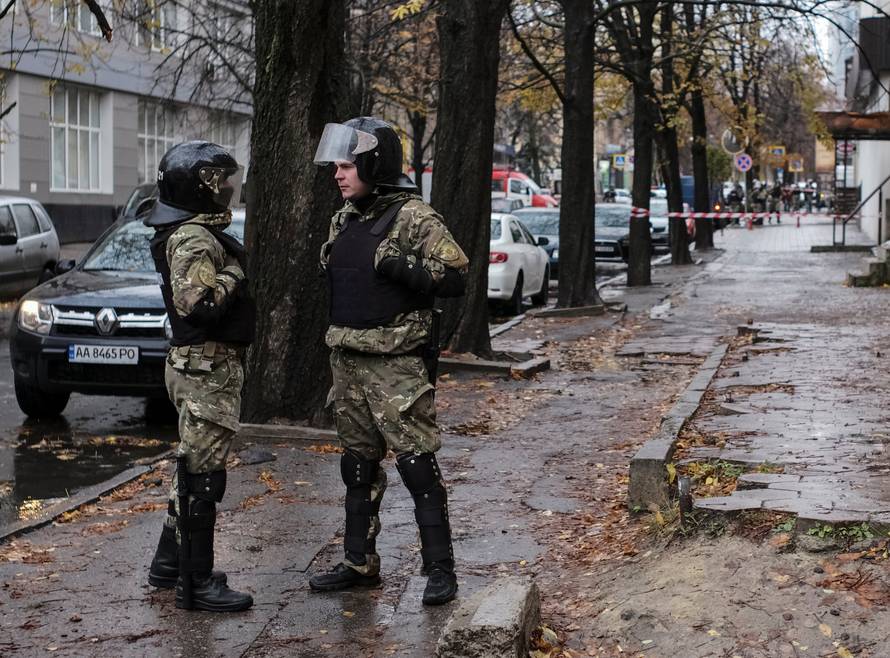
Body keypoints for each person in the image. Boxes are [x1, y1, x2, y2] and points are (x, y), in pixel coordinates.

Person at [309, 117, 468, 606]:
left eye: (347, 164)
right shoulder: (345, 218)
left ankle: (440, 570)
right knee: (357, 467)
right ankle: (359, 565)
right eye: (335, 164)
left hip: (396, 364)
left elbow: (455, 274)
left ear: (373, 163)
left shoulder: (414, 217)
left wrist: (397, 262)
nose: (338, 174)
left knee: (417, 466)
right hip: (348, 360)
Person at [144, 141, 255, 613]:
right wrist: (233, 273)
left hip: (202, 364)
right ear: (201, 186)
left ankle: (171, 566)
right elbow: (200, 305)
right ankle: (198, 583)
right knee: (203, 477)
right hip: (205, 367)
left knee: (192, 467)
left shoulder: (194, 230)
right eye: (220, 179)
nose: (229, 186)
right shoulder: (193, 237)